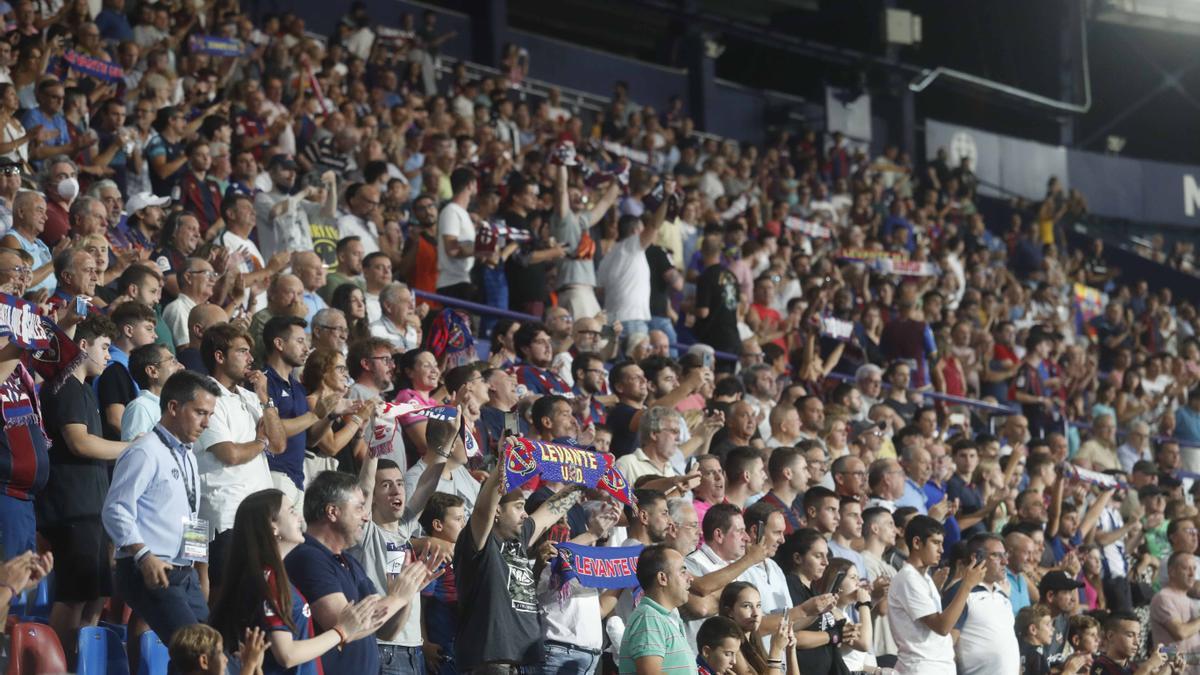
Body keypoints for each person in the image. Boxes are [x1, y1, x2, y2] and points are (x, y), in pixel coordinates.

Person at [209, 488, 412, 675]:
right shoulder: (268, 579)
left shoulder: (274, 576)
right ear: (273, 527)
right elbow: (286, 654)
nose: (299, 516)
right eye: (290, 511)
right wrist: (342, 631)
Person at [103, 371, 222, 644]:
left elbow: (191, 512)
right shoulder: (144, 451)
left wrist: (198, 569)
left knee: (210, 648)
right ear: (173, 407)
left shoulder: (188, 455)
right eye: (200, 413)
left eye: (210, 415)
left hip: (184, 570)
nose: (206, 423)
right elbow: (115, 509)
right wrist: (144, 555)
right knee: (197, 651)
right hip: (148, 566)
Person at [285, 470, 440, 674]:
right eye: (359, 508)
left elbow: (387, 631)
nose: (366, 517)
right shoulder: (308, 557)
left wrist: (407, 596)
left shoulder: (348, 561)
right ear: (332, 512)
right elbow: (345, 625)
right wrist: (396, 597)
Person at [38, 314, 126, 657]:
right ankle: (59, 663)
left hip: (92, 504)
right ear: (82, 346)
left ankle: (82, 660)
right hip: (72, 506)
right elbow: (80, 443)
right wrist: (132, 447)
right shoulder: (65, 387)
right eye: (104, 347)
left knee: (96, 594)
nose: (108, 355)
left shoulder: (86, 389)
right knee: (73, 595)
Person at [454, 461, 585, 672]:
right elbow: (481, 511)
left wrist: (583, 480)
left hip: (524, 662)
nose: (525, 514)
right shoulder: (480, 541)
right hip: (491, 664)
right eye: (518, 507)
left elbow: (549, 512)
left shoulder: (518, 539)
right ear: (496, 511)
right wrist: (502, 466)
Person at [196, 322, 286, 598]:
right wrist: (260, 443)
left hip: (259, 514)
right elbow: (229, 454)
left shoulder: (250, 397)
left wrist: (265, 399)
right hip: (225, 513)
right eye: (242, 352)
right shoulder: (206, 395)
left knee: (255, 597)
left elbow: (280, 444)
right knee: (224, 595)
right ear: (219, 356)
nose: (250, 359)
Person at [887, 514, 986, 675]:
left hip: (938, 666)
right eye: (936, 543)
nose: (941, 550)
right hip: (922, 667)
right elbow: (942, 627)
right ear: (917, 543)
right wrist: (966, 585)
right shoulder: (907, 578)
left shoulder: (924, 577)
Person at [940, 533, 1020, 675]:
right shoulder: (961, 592)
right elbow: (946, 644)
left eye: (1005, 555)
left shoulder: (1003, 597)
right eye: (996, 555)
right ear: (975, 558)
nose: (1005, 562)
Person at [619, 544, 695, 675]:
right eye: (683, 572)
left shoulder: (664, 619)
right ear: (662, 578)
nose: (691, 578)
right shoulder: (648, 617)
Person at [122, 342, 183, 441]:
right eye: (173, 362)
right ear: (152, 371)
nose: (182, 366)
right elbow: (133, 452)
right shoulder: (140, 407)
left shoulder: (173, 405)